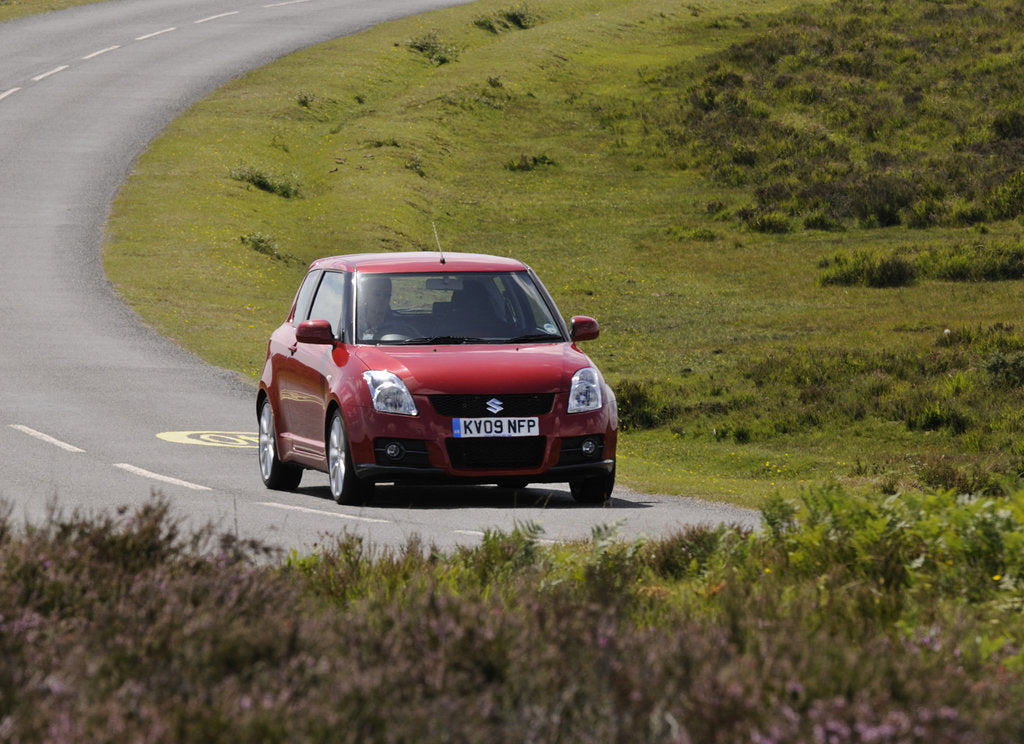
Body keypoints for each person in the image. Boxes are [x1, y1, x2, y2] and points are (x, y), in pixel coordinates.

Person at [357, 275, 396, 340]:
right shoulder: (355, 323)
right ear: (366, 295)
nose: (382, 298)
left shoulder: (397, 323)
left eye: (387, 295)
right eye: (377, 294)